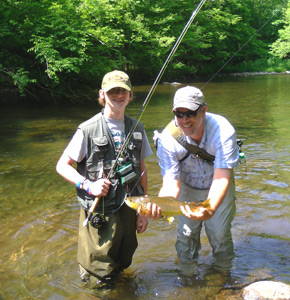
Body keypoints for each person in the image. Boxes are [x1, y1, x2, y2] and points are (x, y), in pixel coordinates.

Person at [56, 70, 153, 286]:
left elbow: (143, 170)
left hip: (130, 209)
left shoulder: (137, 128)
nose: (118, 95)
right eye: (113, 91)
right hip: (100, 211)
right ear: (102, 94)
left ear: (130, 95)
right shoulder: (87, 129)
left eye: (123, 91)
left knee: (123, 260)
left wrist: (143, 211)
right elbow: (62, 166)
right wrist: (88, 185)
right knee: (97, 272)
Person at [156, 86, 240, 271]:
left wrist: (209, 209)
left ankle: (223, 275)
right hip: (187, 187)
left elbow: (222, 178)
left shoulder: (223, 130)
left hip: (219, 185)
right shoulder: (167, 139)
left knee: (219, 233)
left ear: (203, 110)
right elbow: (171, 182)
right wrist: (160, 206)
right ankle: (187, 277)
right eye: (179, 114)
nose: (184, 120)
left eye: (190, 114)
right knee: (186, 236)